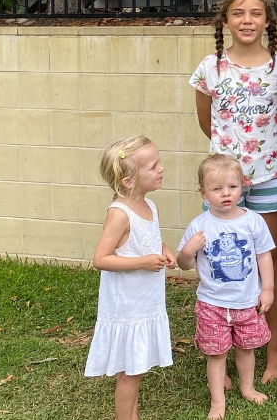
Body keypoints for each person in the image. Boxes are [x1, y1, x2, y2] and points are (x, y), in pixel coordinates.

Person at [190, 0, 277, 384]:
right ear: (225, 20)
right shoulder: (211, 68)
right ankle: (223, 345)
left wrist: (258, 157)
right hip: (222, 184)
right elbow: (207, 123)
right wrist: (230, 168)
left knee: (267, 260)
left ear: (268, 20)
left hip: (269, 176)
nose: (247, 20)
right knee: (222, 259)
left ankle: (274, 350)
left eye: (256, 13)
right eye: (238, 13)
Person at [177, 155, 276, 420]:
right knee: (217, 354)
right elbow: (184, 264)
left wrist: (268, 289)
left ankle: (247, 388)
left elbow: (264, 256)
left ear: (242, 186)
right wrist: (187, 251)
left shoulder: (253, 221)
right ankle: (217, 401)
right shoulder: (200, 226)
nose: (225, 194)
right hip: (212, 303)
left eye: (232, 186)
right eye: (216, 189)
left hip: (247, 301)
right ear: (204, 193)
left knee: (246, 348)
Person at [85, 136, 175, 420]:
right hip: (127, 309)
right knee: (130, 373)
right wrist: (142, 262)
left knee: (137, 369)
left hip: (145, 304)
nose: (161, 169)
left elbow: (147, 239)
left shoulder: (150, 206)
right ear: (128, 181)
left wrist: (163, 250)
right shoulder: (119, 214)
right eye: (153, 166)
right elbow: (101, 258)